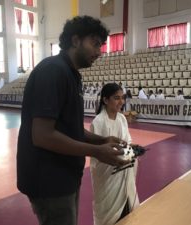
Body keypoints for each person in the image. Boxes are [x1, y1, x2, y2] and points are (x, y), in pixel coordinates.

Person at [17, 16, 130, 225]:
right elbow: (42, 136)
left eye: (101, 45)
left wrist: (101, 141)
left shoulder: (71, 74)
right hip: (49, 179)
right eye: (95, 44)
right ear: (76, 40)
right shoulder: (53, 71)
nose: (99, 52)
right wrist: (97, 151)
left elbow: (71, 128)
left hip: (65, 175)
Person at [90, 83, 139, 225]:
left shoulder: (122, 118)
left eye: (122, 98)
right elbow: (99, 153)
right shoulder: (98, 121)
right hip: (106, 176)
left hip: (123, 173)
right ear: (105, 100)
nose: (121, 102)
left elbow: (127, 142)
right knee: (109, 216)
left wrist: (134, 150)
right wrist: (126, 152)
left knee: (126, 212)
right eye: (117, 98)